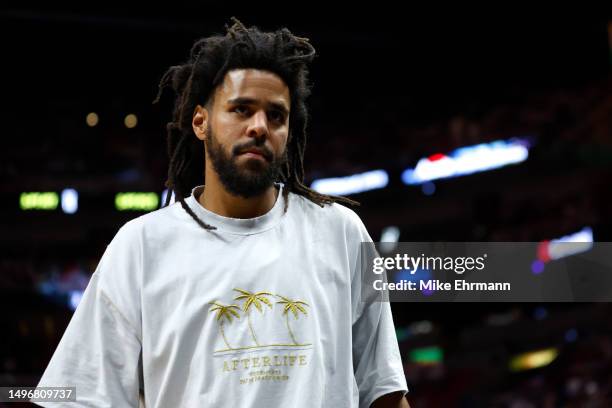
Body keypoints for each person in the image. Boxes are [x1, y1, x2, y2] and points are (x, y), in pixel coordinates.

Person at [34, 18, 409, 408]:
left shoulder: (341, 232)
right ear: (201, 121)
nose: (259, 127)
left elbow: (385, 392)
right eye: (242, 110)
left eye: (276, 116)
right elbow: (77, 397)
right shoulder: (141, 245)